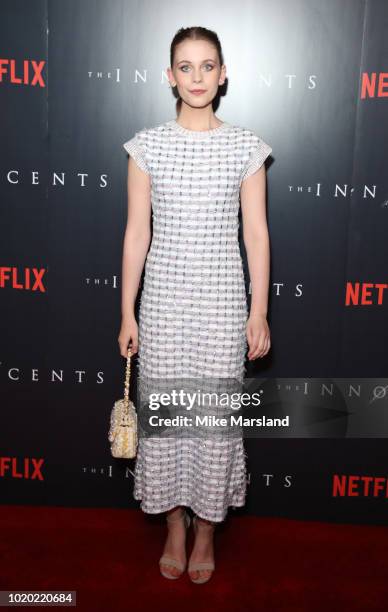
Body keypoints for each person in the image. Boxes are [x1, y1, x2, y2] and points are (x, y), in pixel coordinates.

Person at [118, 26, 272, 584]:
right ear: (170, 76)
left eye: (208, 66)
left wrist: (258, 312)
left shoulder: (246, 147)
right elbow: (136, 234)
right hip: (162, 306)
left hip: (222, 306)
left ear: (224, 73)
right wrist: (126, 311)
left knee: (212, 422)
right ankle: (174, 525)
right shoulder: (146, 146)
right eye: (186, 67)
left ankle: (206, 526)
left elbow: (256, 235)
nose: (198, 77)